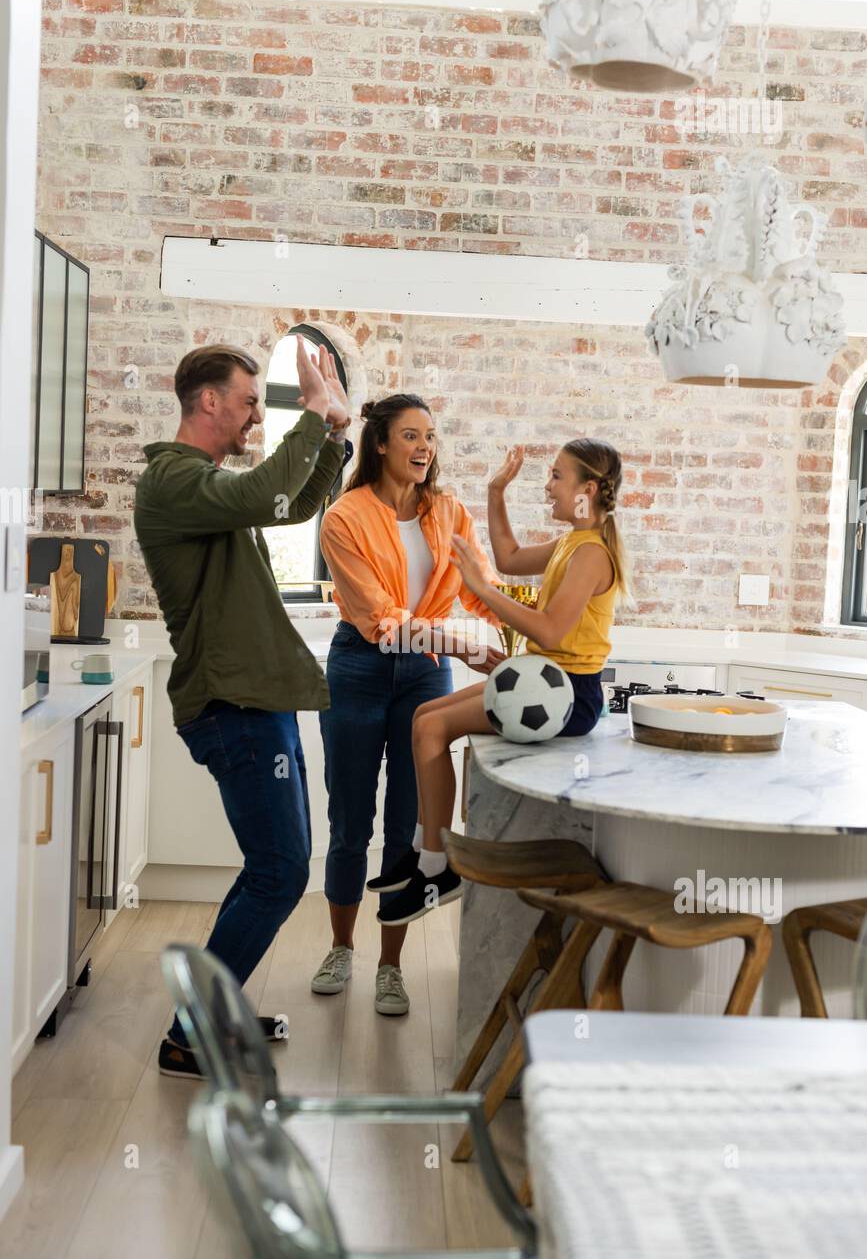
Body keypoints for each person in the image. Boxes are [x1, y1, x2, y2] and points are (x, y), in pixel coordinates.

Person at [134, 338, 352, 1078]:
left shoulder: (206, 487)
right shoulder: (173, 481)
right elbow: (266, 494)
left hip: (252, 699)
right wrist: (312, 417)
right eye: (250, 399)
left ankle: (210, 1016)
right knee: (283, 870)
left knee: (269, 866)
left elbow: (290, 503)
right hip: (233, 705)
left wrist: (335, 435)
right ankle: (189, 1037)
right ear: (208, 402)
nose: (257, 413)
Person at [376, 437, 630, 927]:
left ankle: (438, 867)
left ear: (588, 489)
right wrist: (496, 492)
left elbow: (551, 629)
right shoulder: (571, 544)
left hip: (568, 695)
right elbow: (510, 557)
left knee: (432, 730)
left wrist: (481, 588)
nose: (549, 485)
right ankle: (422, 848)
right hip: (544, 677)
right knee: (424, 716)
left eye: (557, 475)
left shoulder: (592, 555)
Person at [313, 393, 504, 1016]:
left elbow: (481, 589)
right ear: (381, 444)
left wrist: (516, 631)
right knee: (349, 823)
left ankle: (390, 966)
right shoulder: (344, 517)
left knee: (407, 825)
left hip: (425, 676)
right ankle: (343, 946)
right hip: (360, 668)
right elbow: (380, 623)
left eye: (430, 437)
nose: (425, 448)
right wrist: (458, 643)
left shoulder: (447, 511)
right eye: (411, 436)